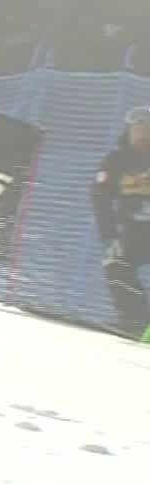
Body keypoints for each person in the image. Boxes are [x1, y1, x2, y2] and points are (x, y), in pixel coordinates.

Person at [92, 104, 150, 339]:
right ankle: (137, 323)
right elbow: (100, 197)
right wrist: (109, 233)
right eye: (138, 130)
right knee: (115, 262)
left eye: (148, 130)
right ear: (129, 131)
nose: (143, 136)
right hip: (135, 230)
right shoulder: (116, 160)